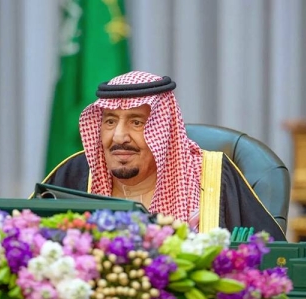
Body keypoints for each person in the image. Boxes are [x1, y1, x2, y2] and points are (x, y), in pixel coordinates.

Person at [41, 71, 286, 241]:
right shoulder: (75, 174)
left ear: (164, 130)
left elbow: (270, 262)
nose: (118, 137)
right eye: (110, 121)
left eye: (137, 122)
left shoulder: (212, 176)